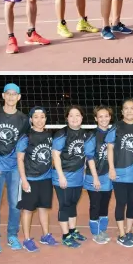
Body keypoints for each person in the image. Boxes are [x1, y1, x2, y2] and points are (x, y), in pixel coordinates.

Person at [0, 83, 29, 254]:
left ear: (18, 97)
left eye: (14, 94)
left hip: (15, 167)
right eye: (7, 93)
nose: (10, 97)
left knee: (15, 204)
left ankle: (12, 235)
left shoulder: (23, 119)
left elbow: (23, 144)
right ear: (3, 96)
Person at [16, 106, 58, 251]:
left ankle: (45, 235)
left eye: (42, 117)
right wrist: (24, 180)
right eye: (36, 117)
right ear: (31, 119)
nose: (39, 120)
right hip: (30, 179)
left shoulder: (49, 136)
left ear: (46, 119)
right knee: (27, 210)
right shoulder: (25, 137)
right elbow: (20, 159)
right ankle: (27, 239)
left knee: (43, 208)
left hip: (46, 179)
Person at [108, 98, 133, 247]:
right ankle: (121, 234)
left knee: (132, 203)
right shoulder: (116, 127)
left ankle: (129, 231)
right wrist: (111, 168)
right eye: (126, 108)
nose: (129, 111)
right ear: (122, 111)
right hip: (119, 173)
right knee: (121, 202)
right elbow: (110, 148)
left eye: (132, 108)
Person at [52, 105, 92, 248]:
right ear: (67, 118)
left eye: (77, 115)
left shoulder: (85, 134)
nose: (74, 118)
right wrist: (61, 176)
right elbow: (55, 155)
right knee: (64, 205)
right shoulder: (62, 133)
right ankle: (65, 235)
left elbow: (86, 155)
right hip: (63, 175)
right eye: (71, 115)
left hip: (77, 176)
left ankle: (72, 230)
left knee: (73, 204)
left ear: (82, 117)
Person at [84, 105, 115, 245]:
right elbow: (90, 157)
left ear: (110, 117)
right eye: (100, 116)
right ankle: (95, 233)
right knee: (95, 204)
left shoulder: (112, 133)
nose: (104, 119)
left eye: (106, 116)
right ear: (96, 119)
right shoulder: (92, 135)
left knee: (104, 204)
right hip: (94, 175)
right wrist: (95, 177)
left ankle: (102, 230)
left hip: (107, 175)